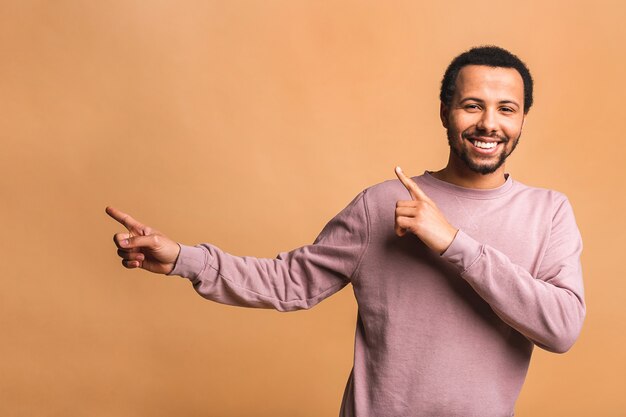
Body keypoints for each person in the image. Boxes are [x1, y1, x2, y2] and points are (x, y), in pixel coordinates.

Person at [107, 46, 585, 417]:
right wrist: (183, 259)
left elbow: (561, 328)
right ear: (445, 112)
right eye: (472, 106)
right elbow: (289, 282)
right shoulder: (380, 205)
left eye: (506, 109)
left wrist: (455, 244)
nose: (489, 123)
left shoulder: (548, 212)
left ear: (522, 119)